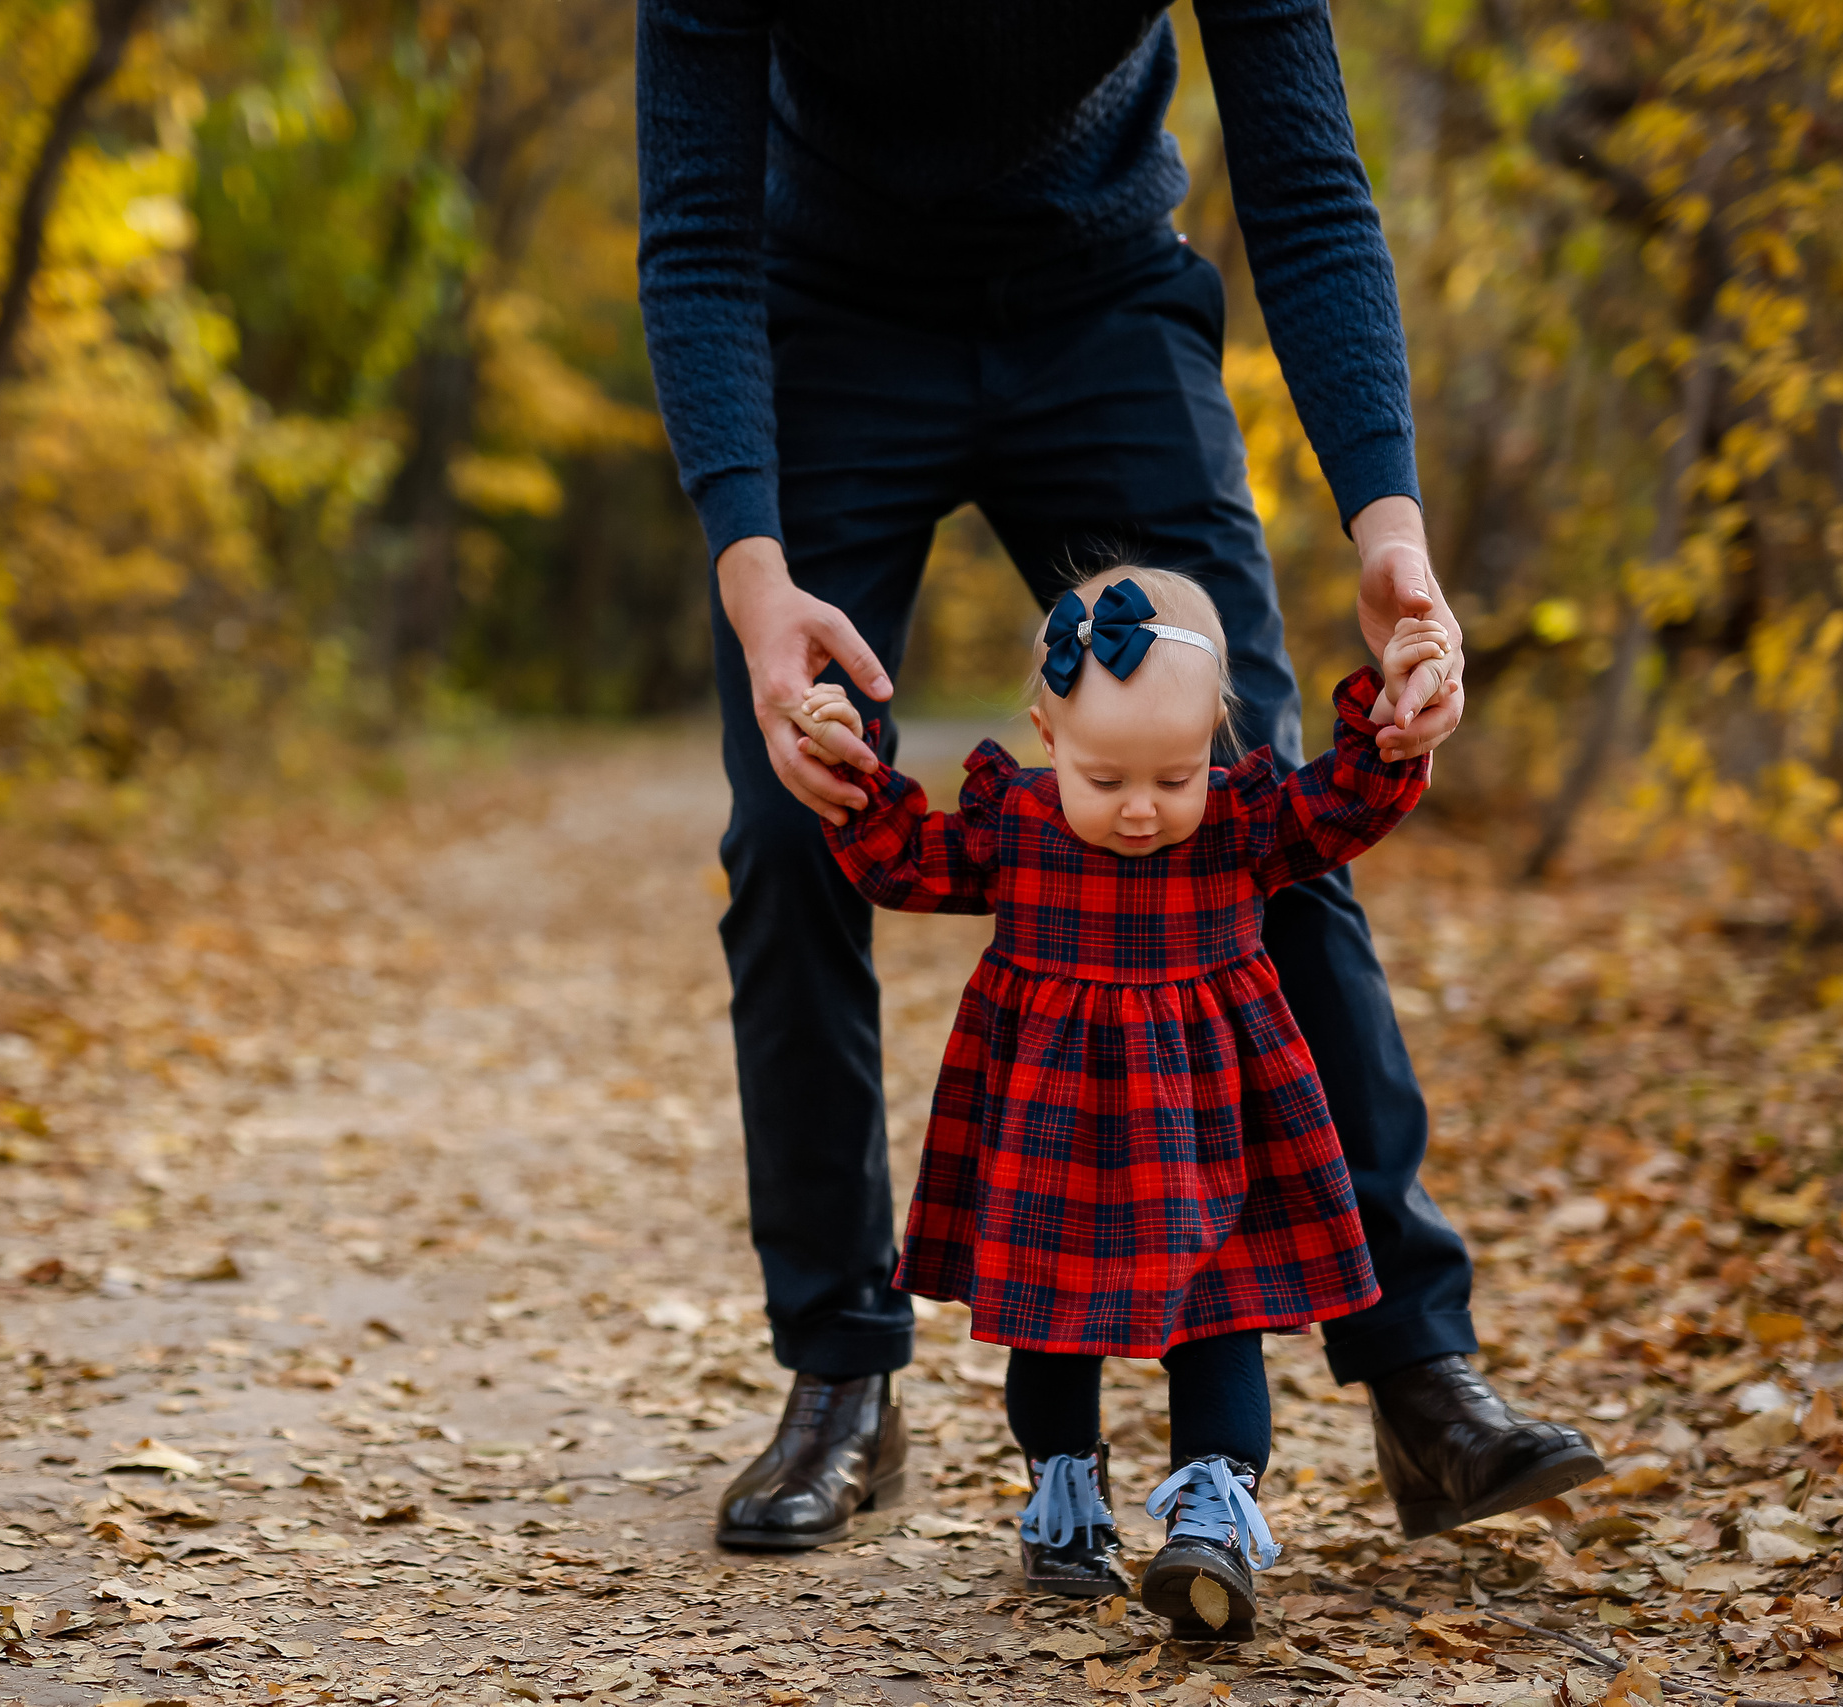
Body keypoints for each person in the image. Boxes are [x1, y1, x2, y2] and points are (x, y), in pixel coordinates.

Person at [635, 0, 1604, 1554]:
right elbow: (695, 232)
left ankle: (1418, 1367)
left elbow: (1306, 178)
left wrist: (1392, 529)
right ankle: (840, 1366)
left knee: (1255, 809)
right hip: (829, 320)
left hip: (1102, 305)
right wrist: (753, 571)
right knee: (794, 819)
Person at [800, 569, 1442, 1637]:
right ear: (1048, 736)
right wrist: (847, 759)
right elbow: (904, 862)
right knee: (1051, 1329)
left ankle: (1212, 1513)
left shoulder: (1240, 824)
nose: (1142, 808)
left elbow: (1346, 802)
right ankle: (1064, 1494)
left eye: (1174, 775)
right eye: (1104, 778)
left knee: (1221, 1315)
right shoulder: (1016, 826)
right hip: (1053, 1134)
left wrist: (1393, 710)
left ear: (1213, 741)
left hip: (1210, 1133)